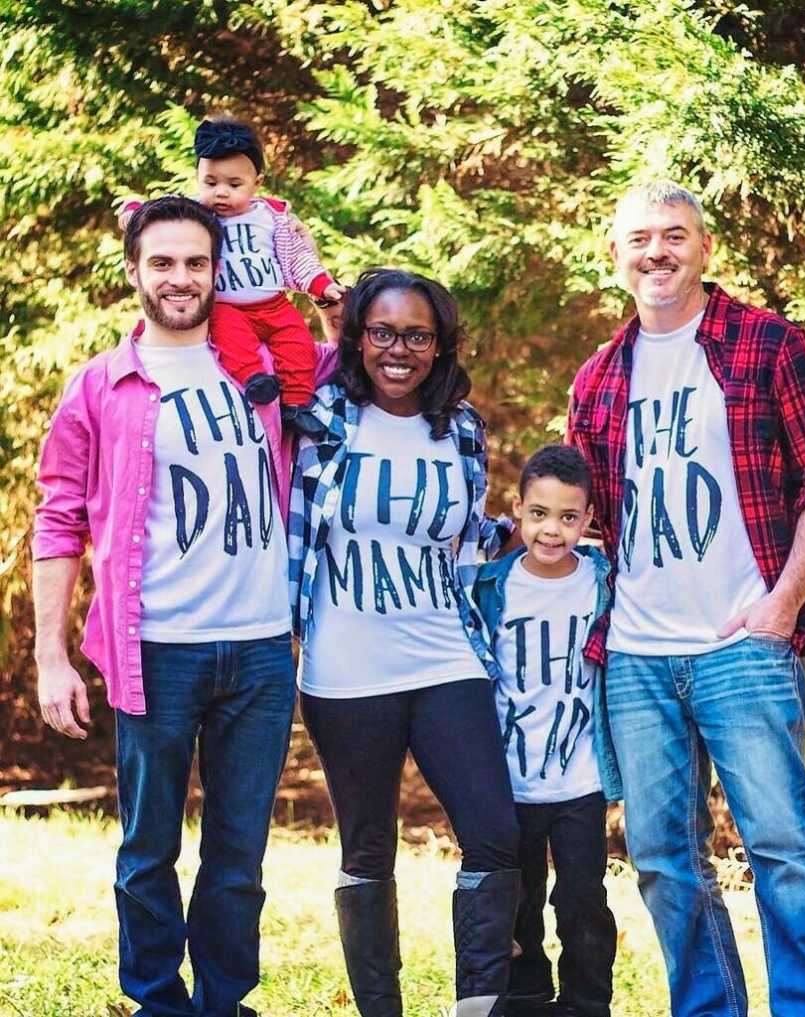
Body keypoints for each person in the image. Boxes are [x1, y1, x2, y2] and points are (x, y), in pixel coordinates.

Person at [32, 195, 336, 1017]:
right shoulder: (103, 384)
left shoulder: (262, 374)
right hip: (156, 648)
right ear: (133, 271)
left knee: (239, 853)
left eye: (196, 262)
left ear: (218, 269)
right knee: (147, 847)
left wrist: (321, 292)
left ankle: (225, 1002)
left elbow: (361, 362)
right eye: (161, 262)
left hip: (262, 649)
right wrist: (52, 657)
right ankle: (158, 1002)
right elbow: (57, 518)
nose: (179, 277)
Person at [567, 180, 805, 1017]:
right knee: (662, 857)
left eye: (674, 235)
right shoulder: (599, 376)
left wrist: (780, 604)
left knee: (785, 847)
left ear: (705, 249)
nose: (656, 251)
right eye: (638, 238)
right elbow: (584, 519)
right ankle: (708, 1008)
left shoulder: (767, 347)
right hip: (635, 657)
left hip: (744, 644)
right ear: (615, 254)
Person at [287, 268, 520, 1017]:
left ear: (438, 344)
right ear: (357, 337)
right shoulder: (319, 417)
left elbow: (464, 540)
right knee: (367, 849)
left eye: (416, 335)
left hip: (447, 655)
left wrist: (538, 541)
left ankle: (476, 1008)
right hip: (347, 669)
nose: (398, 349)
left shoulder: (462, 427)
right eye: (382, 332)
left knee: (494, 834)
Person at [472, 444, 620, 1017]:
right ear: (518, 509)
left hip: (580, 782)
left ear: (587, 520)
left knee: (582, 901)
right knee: (518, 903)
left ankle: (588, 1004)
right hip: (509, 781)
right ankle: (528, 1000)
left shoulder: (603, 581)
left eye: (567, 517)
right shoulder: (490, 586)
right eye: (538, 514)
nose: (551, 531)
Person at [120, 116, 344, 425]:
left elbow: (297, 257)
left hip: (274, 304)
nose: (221, 193)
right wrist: (133, 212)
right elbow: (159, 211)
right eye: (210, 183)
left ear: (257, 183)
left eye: (234, 184)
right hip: (228, 306)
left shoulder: (272, 218)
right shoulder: (196, 213)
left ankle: (296, 405)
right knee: (230, 341)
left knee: (297, 344)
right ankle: (255, 380)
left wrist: (321, 286)